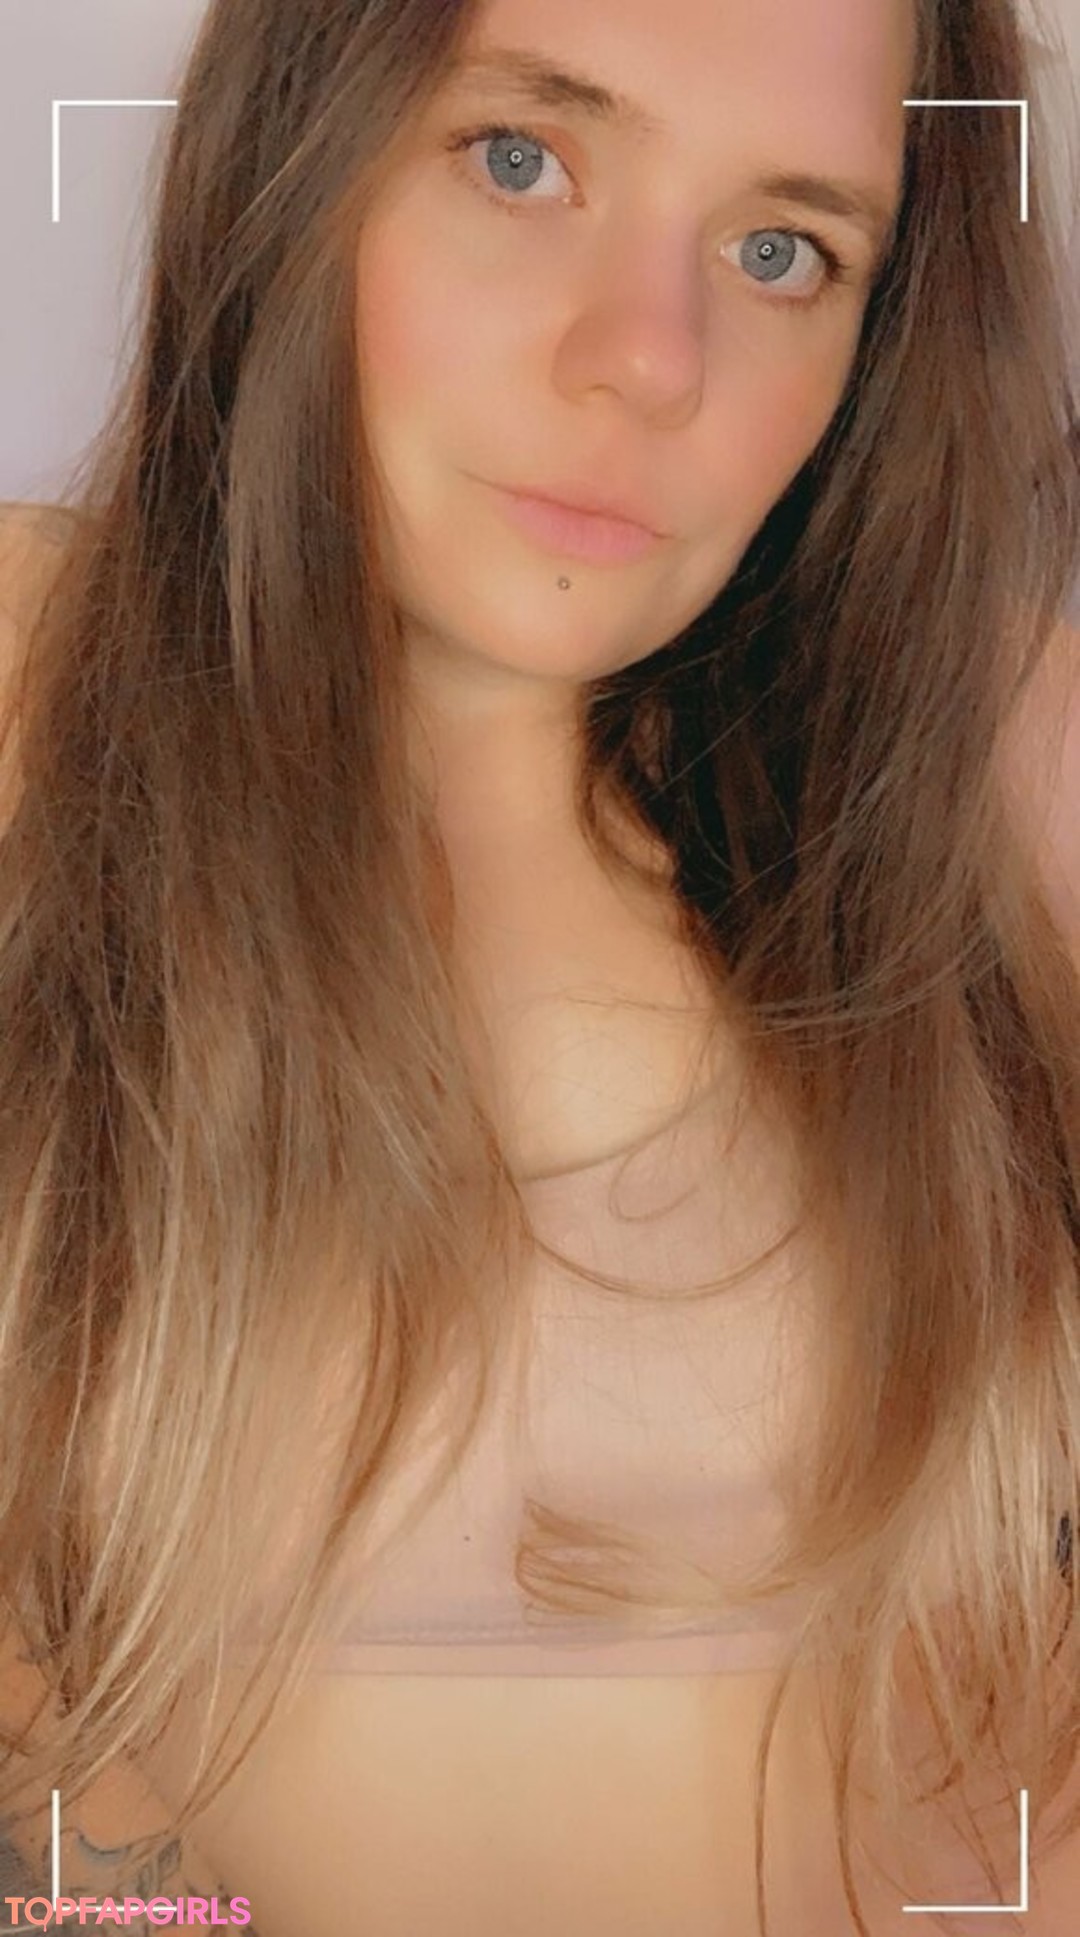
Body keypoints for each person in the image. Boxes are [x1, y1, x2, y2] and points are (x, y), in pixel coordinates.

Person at [0, 0, 1077, 1931]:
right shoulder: (39, 701)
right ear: (299, 157)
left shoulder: (980, 781)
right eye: (523, 160)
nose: (649, 357)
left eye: (782, 250)